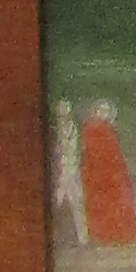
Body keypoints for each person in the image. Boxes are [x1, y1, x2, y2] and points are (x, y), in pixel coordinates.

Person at [79, 97, 136, 245]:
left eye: (106, 110)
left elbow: (115, 154)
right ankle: (104, 237)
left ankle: (120, 236)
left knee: (119, 204)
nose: (103, 113)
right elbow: (92, 153)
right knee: (102, 206)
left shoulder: (109, 128)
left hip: (114, 174)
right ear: (95, 111)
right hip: (98, 174)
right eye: (100, 110)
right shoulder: (92, 129)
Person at [48, 95, 87, 241]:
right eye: (61, 108)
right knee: (56, 201)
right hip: (59, 169)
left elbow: (77, 147)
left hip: (72, 167)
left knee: (77, 201)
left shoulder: (74, 127)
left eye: (66, 107)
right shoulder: (53, 128)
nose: (63, 110)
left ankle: (83, 237)